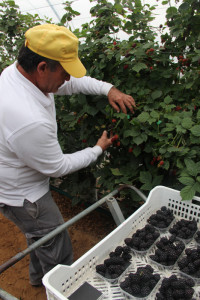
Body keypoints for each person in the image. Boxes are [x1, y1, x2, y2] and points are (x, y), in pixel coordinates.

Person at [0, 24, 135, 286]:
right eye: (64, 72)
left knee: (38, 237)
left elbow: (74, 83)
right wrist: (97, 149)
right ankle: (58, 287)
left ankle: (38, 280)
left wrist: (109, 89)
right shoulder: (27, 118)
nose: (67, 79)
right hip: (25, 197)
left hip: (13, 180)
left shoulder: (19, 74)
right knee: (56, 245)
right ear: (42, 67)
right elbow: (57, 167)